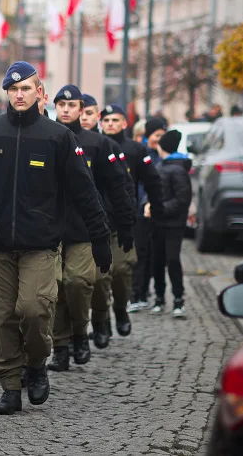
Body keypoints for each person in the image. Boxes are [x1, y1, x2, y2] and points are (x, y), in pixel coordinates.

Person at [0, 62, 111, 415]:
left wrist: (99, 237)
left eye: (26, 88)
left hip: (40, 244)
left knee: (34, 310)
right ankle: (10, 385)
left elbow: (84, 191)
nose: (19, 94)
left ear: (39, 92)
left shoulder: (57, 137)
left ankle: (37, 364)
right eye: (13, 89)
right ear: (6, 93)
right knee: (4, 316)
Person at [47, 85, 135, 373]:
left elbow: (118, 187)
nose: (67, 110)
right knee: (55, 287)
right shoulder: (46, 136)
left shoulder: (99, 144)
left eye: (73, 105)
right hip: (50, 228)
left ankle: (81, 331)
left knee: (80, 282)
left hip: (86, 227)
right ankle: (61, 346)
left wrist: (125, 224)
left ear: (82, 109)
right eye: (62, 104)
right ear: (55, 107)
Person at [93, 103, 165, 346]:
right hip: (98, 223)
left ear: (125, 123)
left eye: (115, 120)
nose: (110, 124)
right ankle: (101, 321)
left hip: (124, 220)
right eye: (107, 120)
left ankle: (122, 309)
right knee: (99, 278)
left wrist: (157, 208)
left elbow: (152, 181)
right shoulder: (96, 146)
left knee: (122, 272)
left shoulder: (135, 149)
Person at [147, 130, 192, 318]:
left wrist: (158, 209)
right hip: (158, 222)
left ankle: (178, 299)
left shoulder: (176, 169)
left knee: (172, 260)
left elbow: (182, 199)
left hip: (172, 224)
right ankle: (159, 298)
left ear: (160, 146)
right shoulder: (161, 166)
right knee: (158, 261)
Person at [129, 117, 167, 312]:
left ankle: (151, 292)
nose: (159, 139)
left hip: (158, 211)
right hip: (140, 209)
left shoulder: (165, 156)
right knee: (140, 254)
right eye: (156, 136)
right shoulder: (142, 154)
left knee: (155, 255)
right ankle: (137, 293)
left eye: (162, 136)